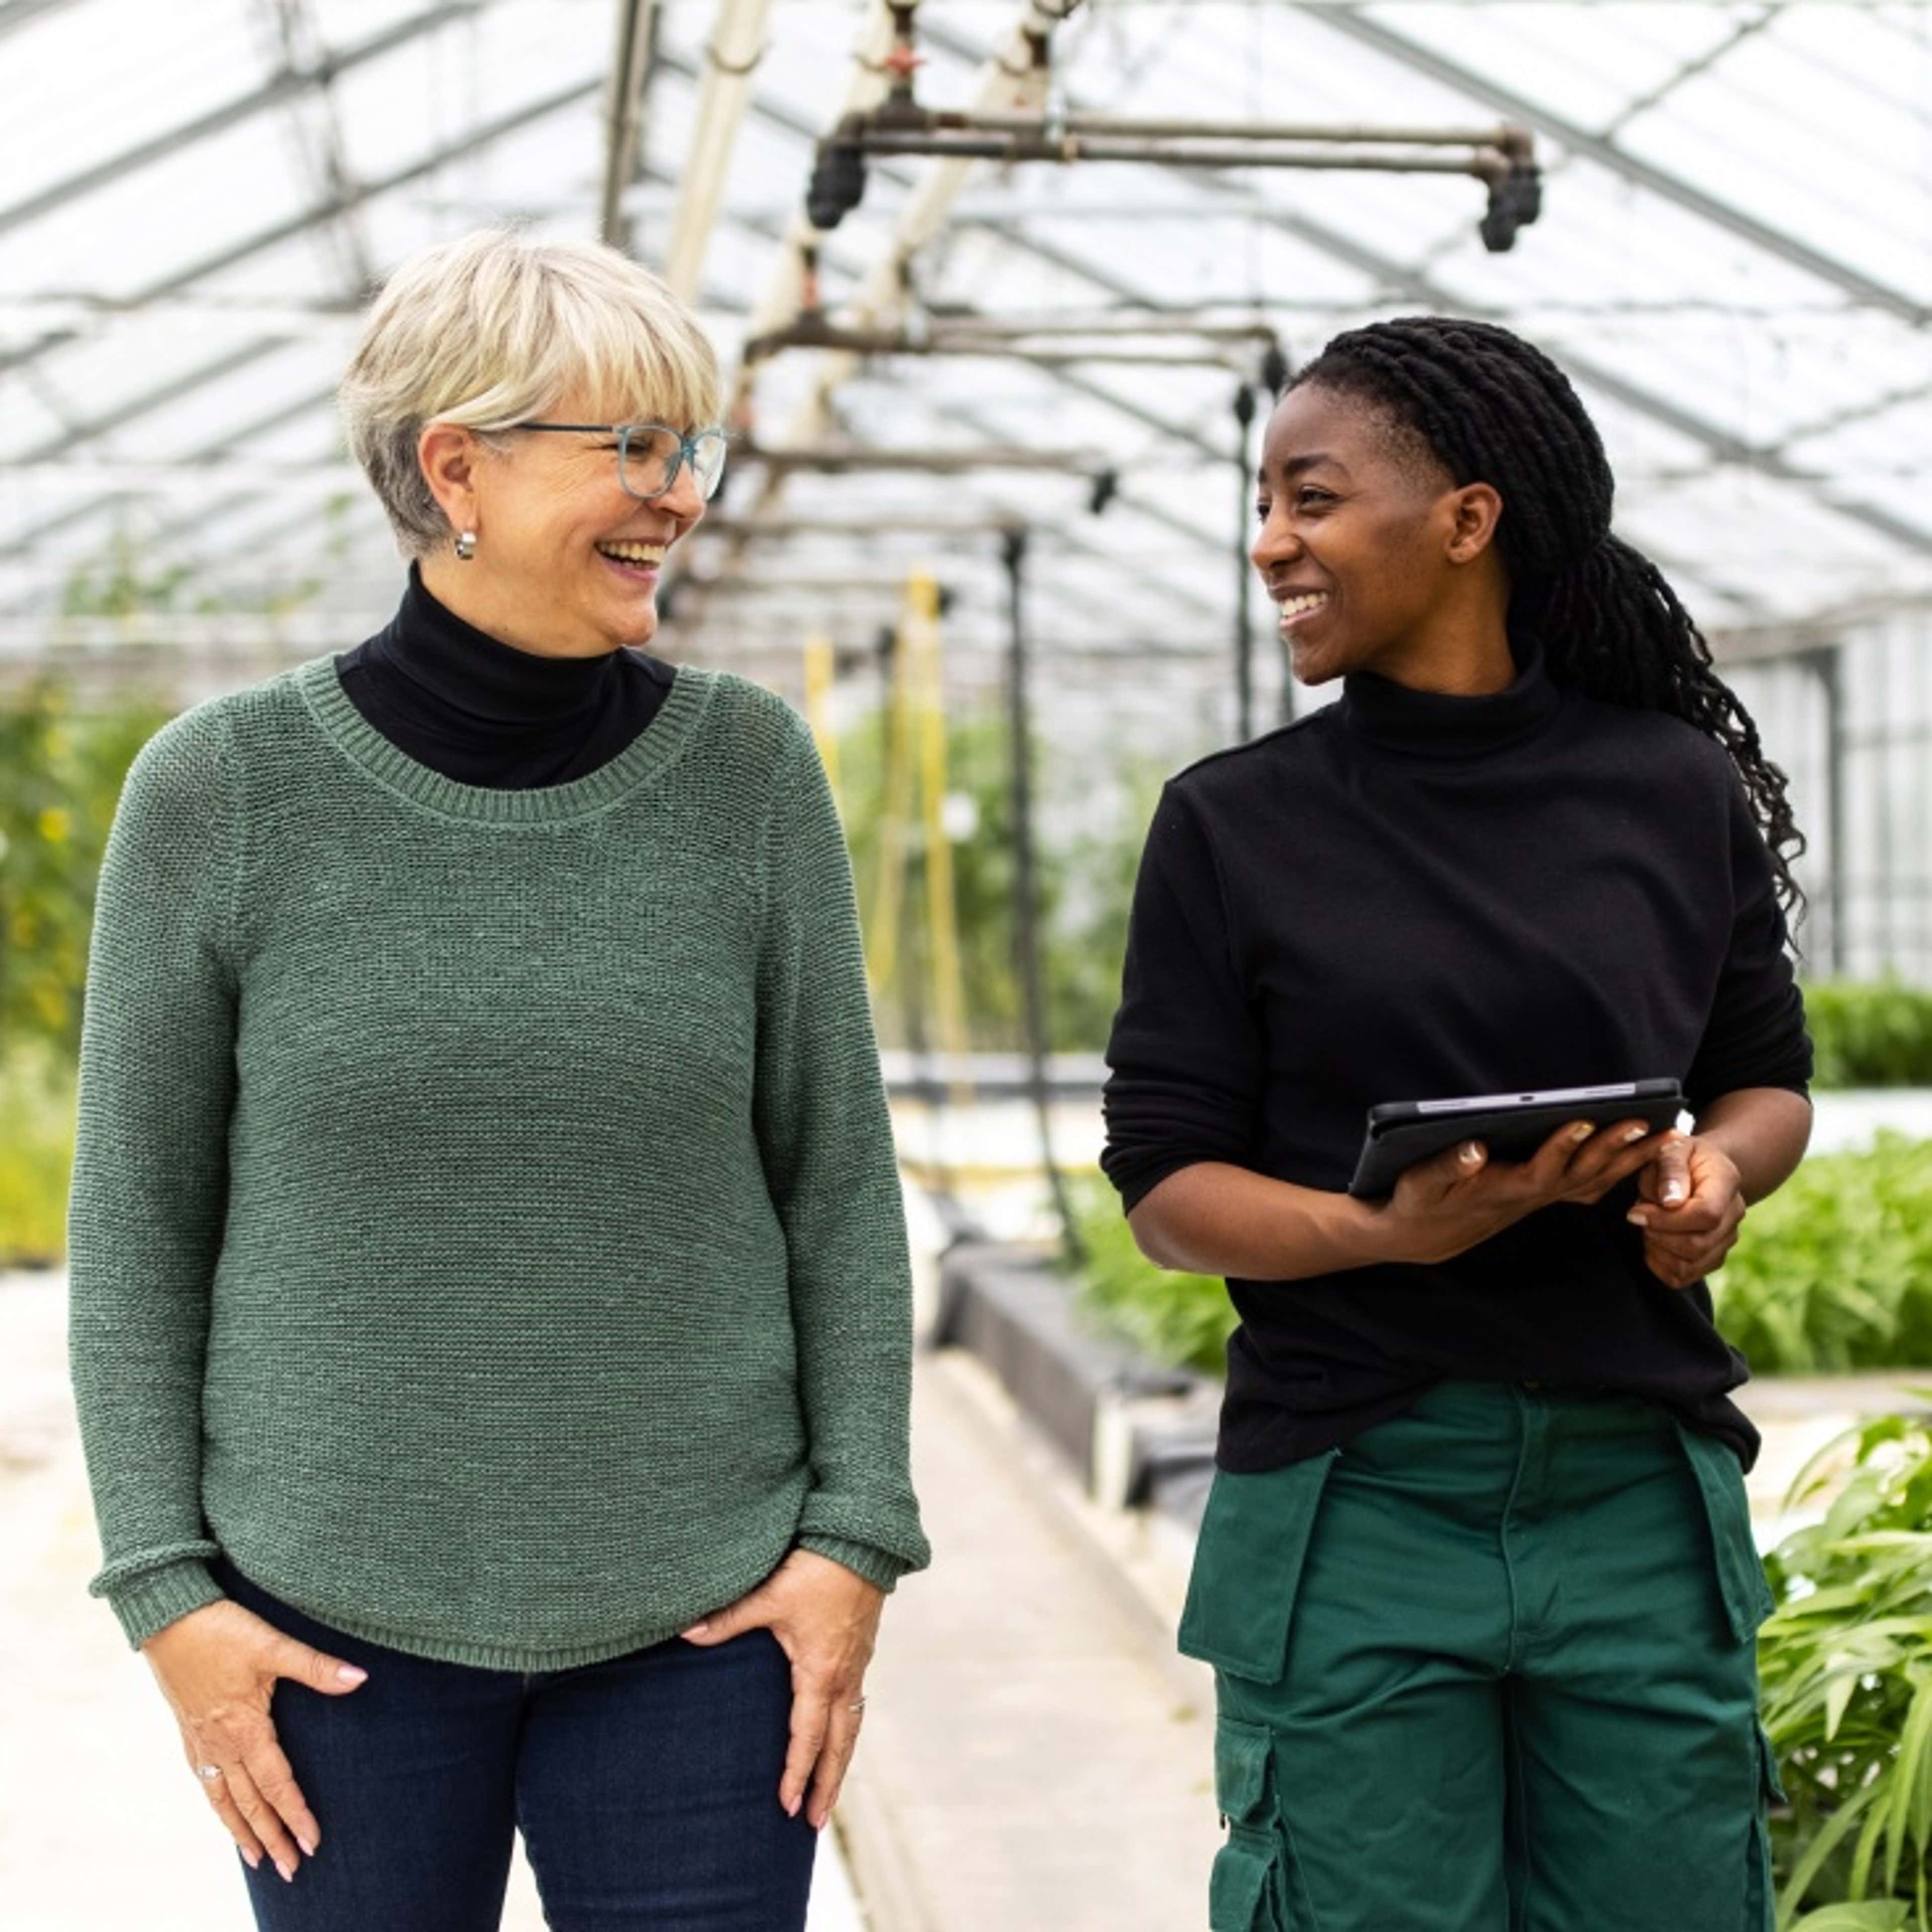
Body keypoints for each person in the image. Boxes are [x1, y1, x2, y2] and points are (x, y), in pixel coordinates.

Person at [65, 227, 930, 1932]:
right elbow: (140, 1228)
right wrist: (170, 1599)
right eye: (633, 448)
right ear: (454, 466)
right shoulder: (222, 796)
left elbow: (835, 1185)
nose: (678, 495)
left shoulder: (748, 775)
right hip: (327, 1641)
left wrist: (853, 1543)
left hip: (709, 1623)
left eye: (692, 449)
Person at [1101, 315, 1812, 1932]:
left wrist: (1718, 1174)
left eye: (1312, 498)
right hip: (1358, 1493)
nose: (1270, 541)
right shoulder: (1233, 825)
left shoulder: (1670, 790)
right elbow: (1164, 1183)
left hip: (1636, 1484)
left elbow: (1767, 1079)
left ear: (1468, 520)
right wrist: (1377, 1232)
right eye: (1265, 502)